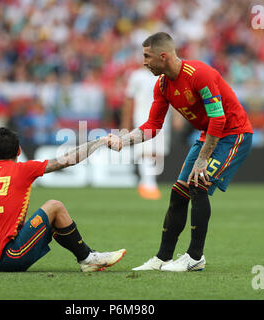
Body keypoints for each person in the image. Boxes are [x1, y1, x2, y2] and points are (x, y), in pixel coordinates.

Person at [108, 32, 253, 272]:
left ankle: (195, 257)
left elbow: (218, 119)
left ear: (163, 56)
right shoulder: (163, 84)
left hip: (233, 134)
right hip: (209, 135)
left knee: (197, 184)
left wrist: (202, 160)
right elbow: (153, 126)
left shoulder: (200, 75)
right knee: (178, 193)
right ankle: (162, 258)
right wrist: (125, 140)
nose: (144, 62)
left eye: (147, 56)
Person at [0, 127, 126, 272]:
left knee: (51, 219)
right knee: (54, 206)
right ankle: (88, 258)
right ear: (19, 150)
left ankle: (87, 257)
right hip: (11, 256)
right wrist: (100, 142)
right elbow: (67, 160)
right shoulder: (21, 169)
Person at [121, 67, 172, 200]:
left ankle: (147, 182)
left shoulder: (166, 75)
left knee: (158, 153)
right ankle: (148, 184)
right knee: (146, 151)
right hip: (144, 119)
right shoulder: (137, 76)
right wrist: (126, 121)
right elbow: (129, 99)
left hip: (164, 120)